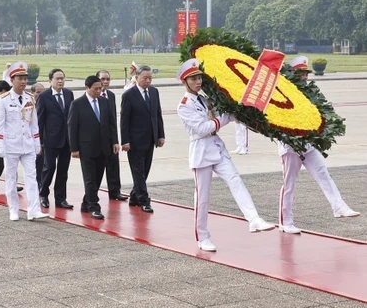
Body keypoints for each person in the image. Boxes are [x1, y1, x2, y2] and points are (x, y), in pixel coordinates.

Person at [176, 58, 275, 252]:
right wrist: (224, 118)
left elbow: (225, 114)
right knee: (202, 198)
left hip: (217, 148)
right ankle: (202, 237)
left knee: (235, 180)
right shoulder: (184, 105)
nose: (198, 82)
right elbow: (203, 128)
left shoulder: (205, 99)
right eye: (193, 78)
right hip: (201, 151)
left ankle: (253, 219)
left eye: (199, 78)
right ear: (184, 82)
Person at [277, 56, 359, 234]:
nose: (305, 77)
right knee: (289, 184)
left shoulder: (310, 94)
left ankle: (339, 207)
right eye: (301, 74)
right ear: (292, 74)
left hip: (308, 143)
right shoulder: (283, 93)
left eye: (306, 74)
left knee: (323, 174)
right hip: (290, 146)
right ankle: (285, 222)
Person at [0, 62, 48, 221]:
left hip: (28, 144)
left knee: (32, 177)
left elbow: (34, 123)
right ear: (12, 79)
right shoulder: (3, 100)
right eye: (20, 78)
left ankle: (33, 210)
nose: (23, 81)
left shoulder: (30, 98)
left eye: (25, 78)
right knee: (11, 179)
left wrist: (37, 142)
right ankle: (14, 209)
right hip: (11, 145)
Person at [69, 75, 120, 219]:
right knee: (90, 178)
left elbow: (111, 124)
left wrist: (114, 141)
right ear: (87, 88)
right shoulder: (78, 104)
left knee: (97, 178)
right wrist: (74, 149)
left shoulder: (104, 102)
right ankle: (94, 207)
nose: (99, 91)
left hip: (104, 147)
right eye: (96, 88)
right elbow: (72, 127)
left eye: (100, 88)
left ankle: (86, 203)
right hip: (86, 148)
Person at [120, 65, 165, 213]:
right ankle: (144, 200)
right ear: (137, 78)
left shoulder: (154, 92)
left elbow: (157, 115)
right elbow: (124, 120)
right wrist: (125, 141)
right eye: (145, 78)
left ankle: (134, 196)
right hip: (134, 141)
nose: (148, 81)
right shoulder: (129, 95)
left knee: (145, 171)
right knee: (138, 172)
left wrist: (160, 135)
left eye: (150, 78)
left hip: (150, 139)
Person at [37, 68, 75, 209]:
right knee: (49, 167)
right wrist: (39, 141)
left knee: (63, 170)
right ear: (50, 81)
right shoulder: (44, 96)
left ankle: (60, 198)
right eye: (57, 79)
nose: (60, 81)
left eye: (62, 78)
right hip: (50, 140)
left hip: (67, 140)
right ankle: (44, 194)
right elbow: (39, 121)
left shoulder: (69, 94)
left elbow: (72, 117)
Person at [97, 69, 127, 200]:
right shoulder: (93, 96)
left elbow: (113, 121)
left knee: (113, 165)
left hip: (110, 138)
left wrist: (115, 141)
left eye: (107, 79)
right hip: (97, 139)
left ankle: (115, 191)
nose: (105, 82)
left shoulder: (111, 95)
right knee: (97, 170)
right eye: (103, 79)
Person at [30, 83, 45, 189]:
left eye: (42, 92)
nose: (40, 95)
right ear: (32, 93)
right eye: (38, 92)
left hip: (42, 138)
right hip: (29, 138)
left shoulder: (46, 102)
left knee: (41, 162)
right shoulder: (28, 105)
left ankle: (39, 182)